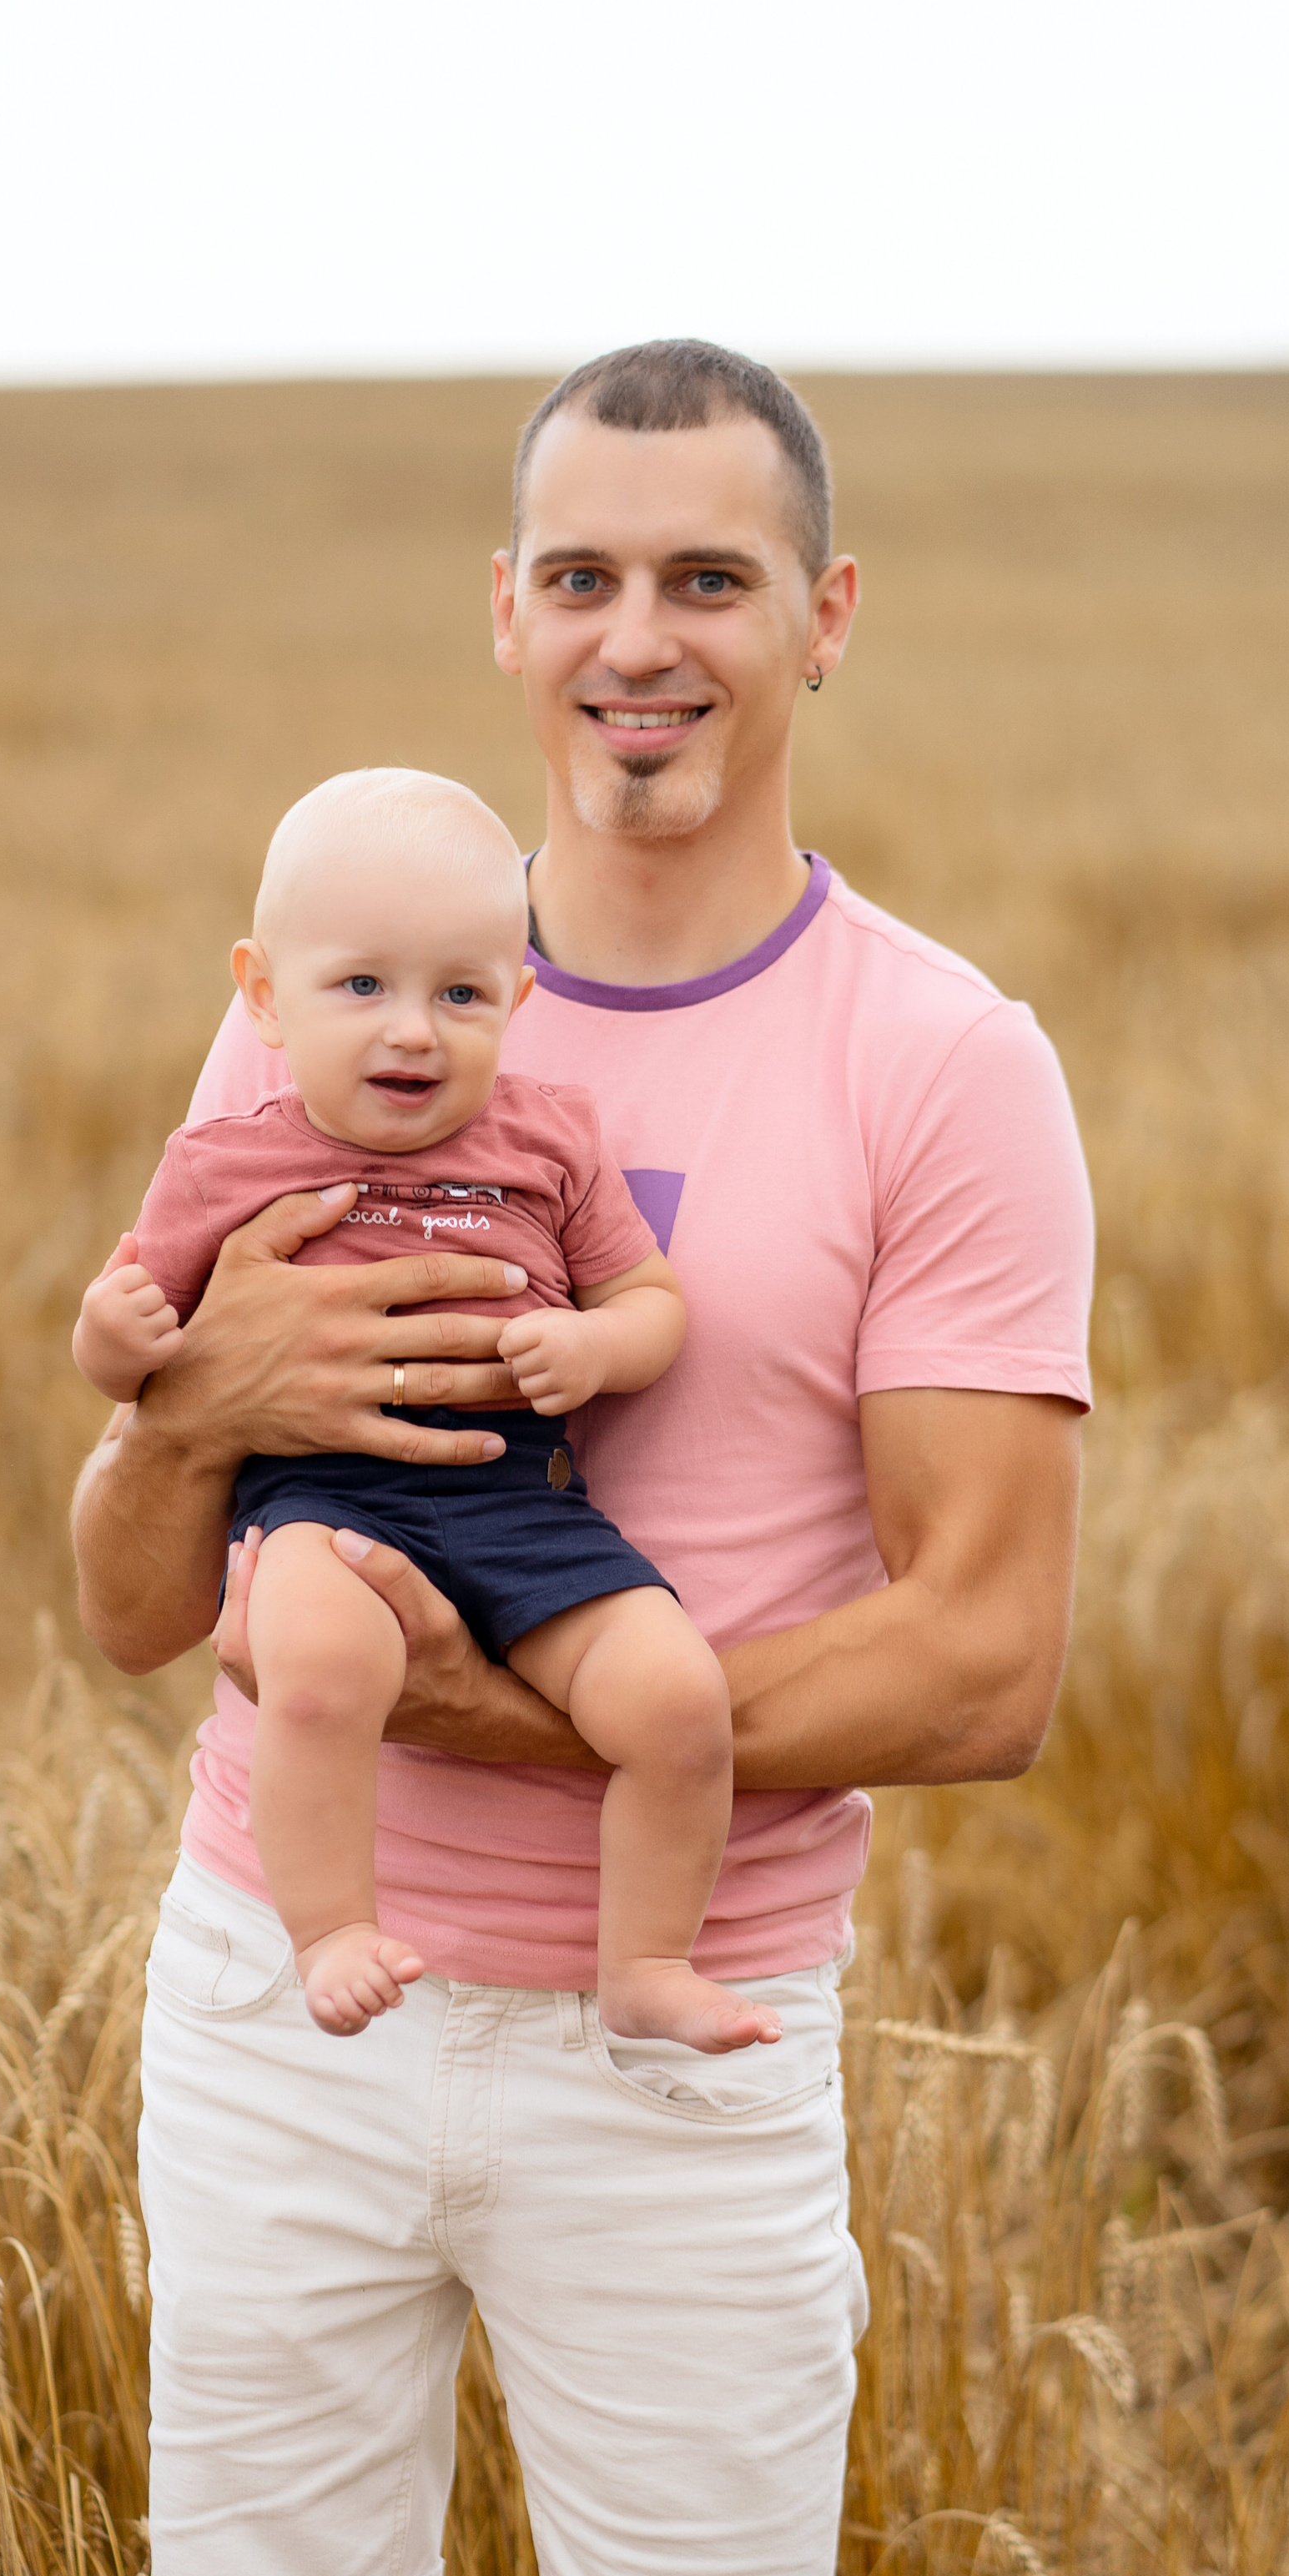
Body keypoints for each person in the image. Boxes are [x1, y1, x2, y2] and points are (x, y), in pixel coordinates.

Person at [73, 340, 1095, 2576]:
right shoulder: (331, 980)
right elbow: (132, 1602)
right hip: (288, 2017)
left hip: (686, 2053)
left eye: (712, 579)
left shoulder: (938, 1058)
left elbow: (981, 1667)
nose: (642, 641)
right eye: (588, 577)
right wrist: (184, 1413)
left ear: (824, 621)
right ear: (508, 615)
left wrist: (469, 1707)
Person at [71, 765, 779, 2054]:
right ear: (264, 995)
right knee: (326, 1671)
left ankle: (647, 1962)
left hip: (523, 1506)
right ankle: (333, 1927)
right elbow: (139, 1353)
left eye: (460, 993)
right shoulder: (228, 1162)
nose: (414, 1031)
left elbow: (652, 1300)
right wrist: (113, 1341)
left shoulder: (551, 1142)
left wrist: (596, 1344)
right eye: (362, 988)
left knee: (677, 1701)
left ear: (517, 997)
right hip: (326, 1501)